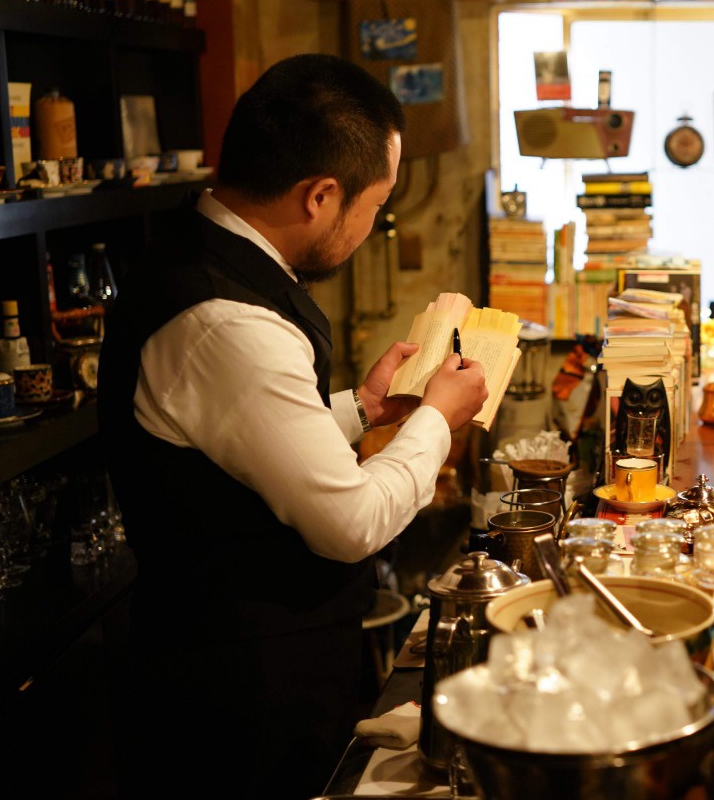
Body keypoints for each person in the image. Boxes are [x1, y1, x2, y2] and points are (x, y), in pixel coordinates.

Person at [99, 54, 489, 799]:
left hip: (243, 664)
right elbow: (351, 520)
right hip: (237, 691)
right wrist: (439, 418)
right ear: (320, 195)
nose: (374, 228)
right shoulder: (228, 321)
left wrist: (363, 408)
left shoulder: (203, 250)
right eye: (376, 206)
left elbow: (228, 435)